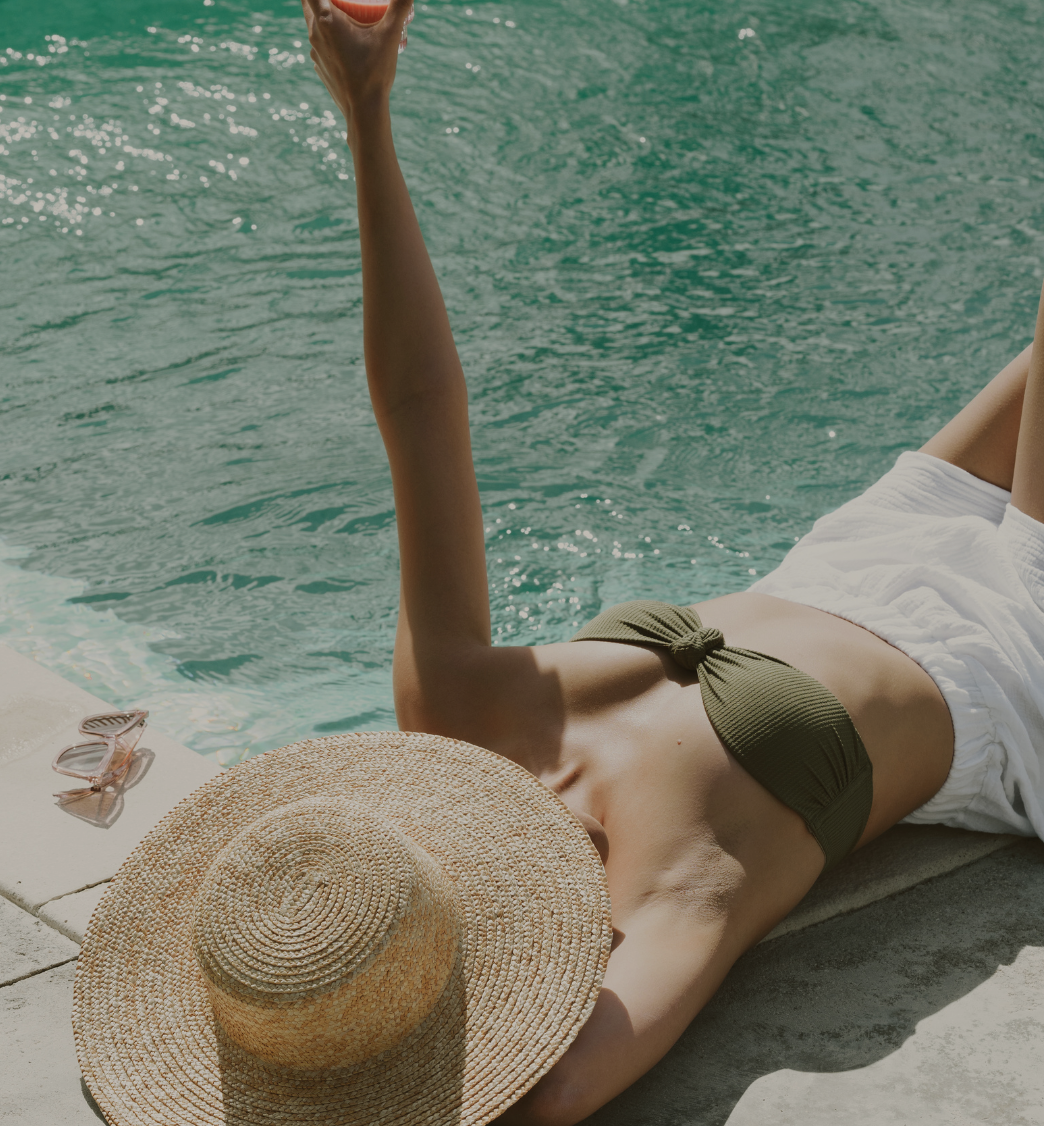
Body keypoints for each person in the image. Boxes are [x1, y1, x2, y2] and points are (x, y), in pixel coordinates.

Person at [302, 1, 1044, 1121]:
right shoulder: (665, 892)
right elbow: (553, 1092)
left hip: (861, 553)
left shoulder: (454, 709)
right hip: (1009, 657)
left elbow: (419, 408)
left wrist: (368, 112)